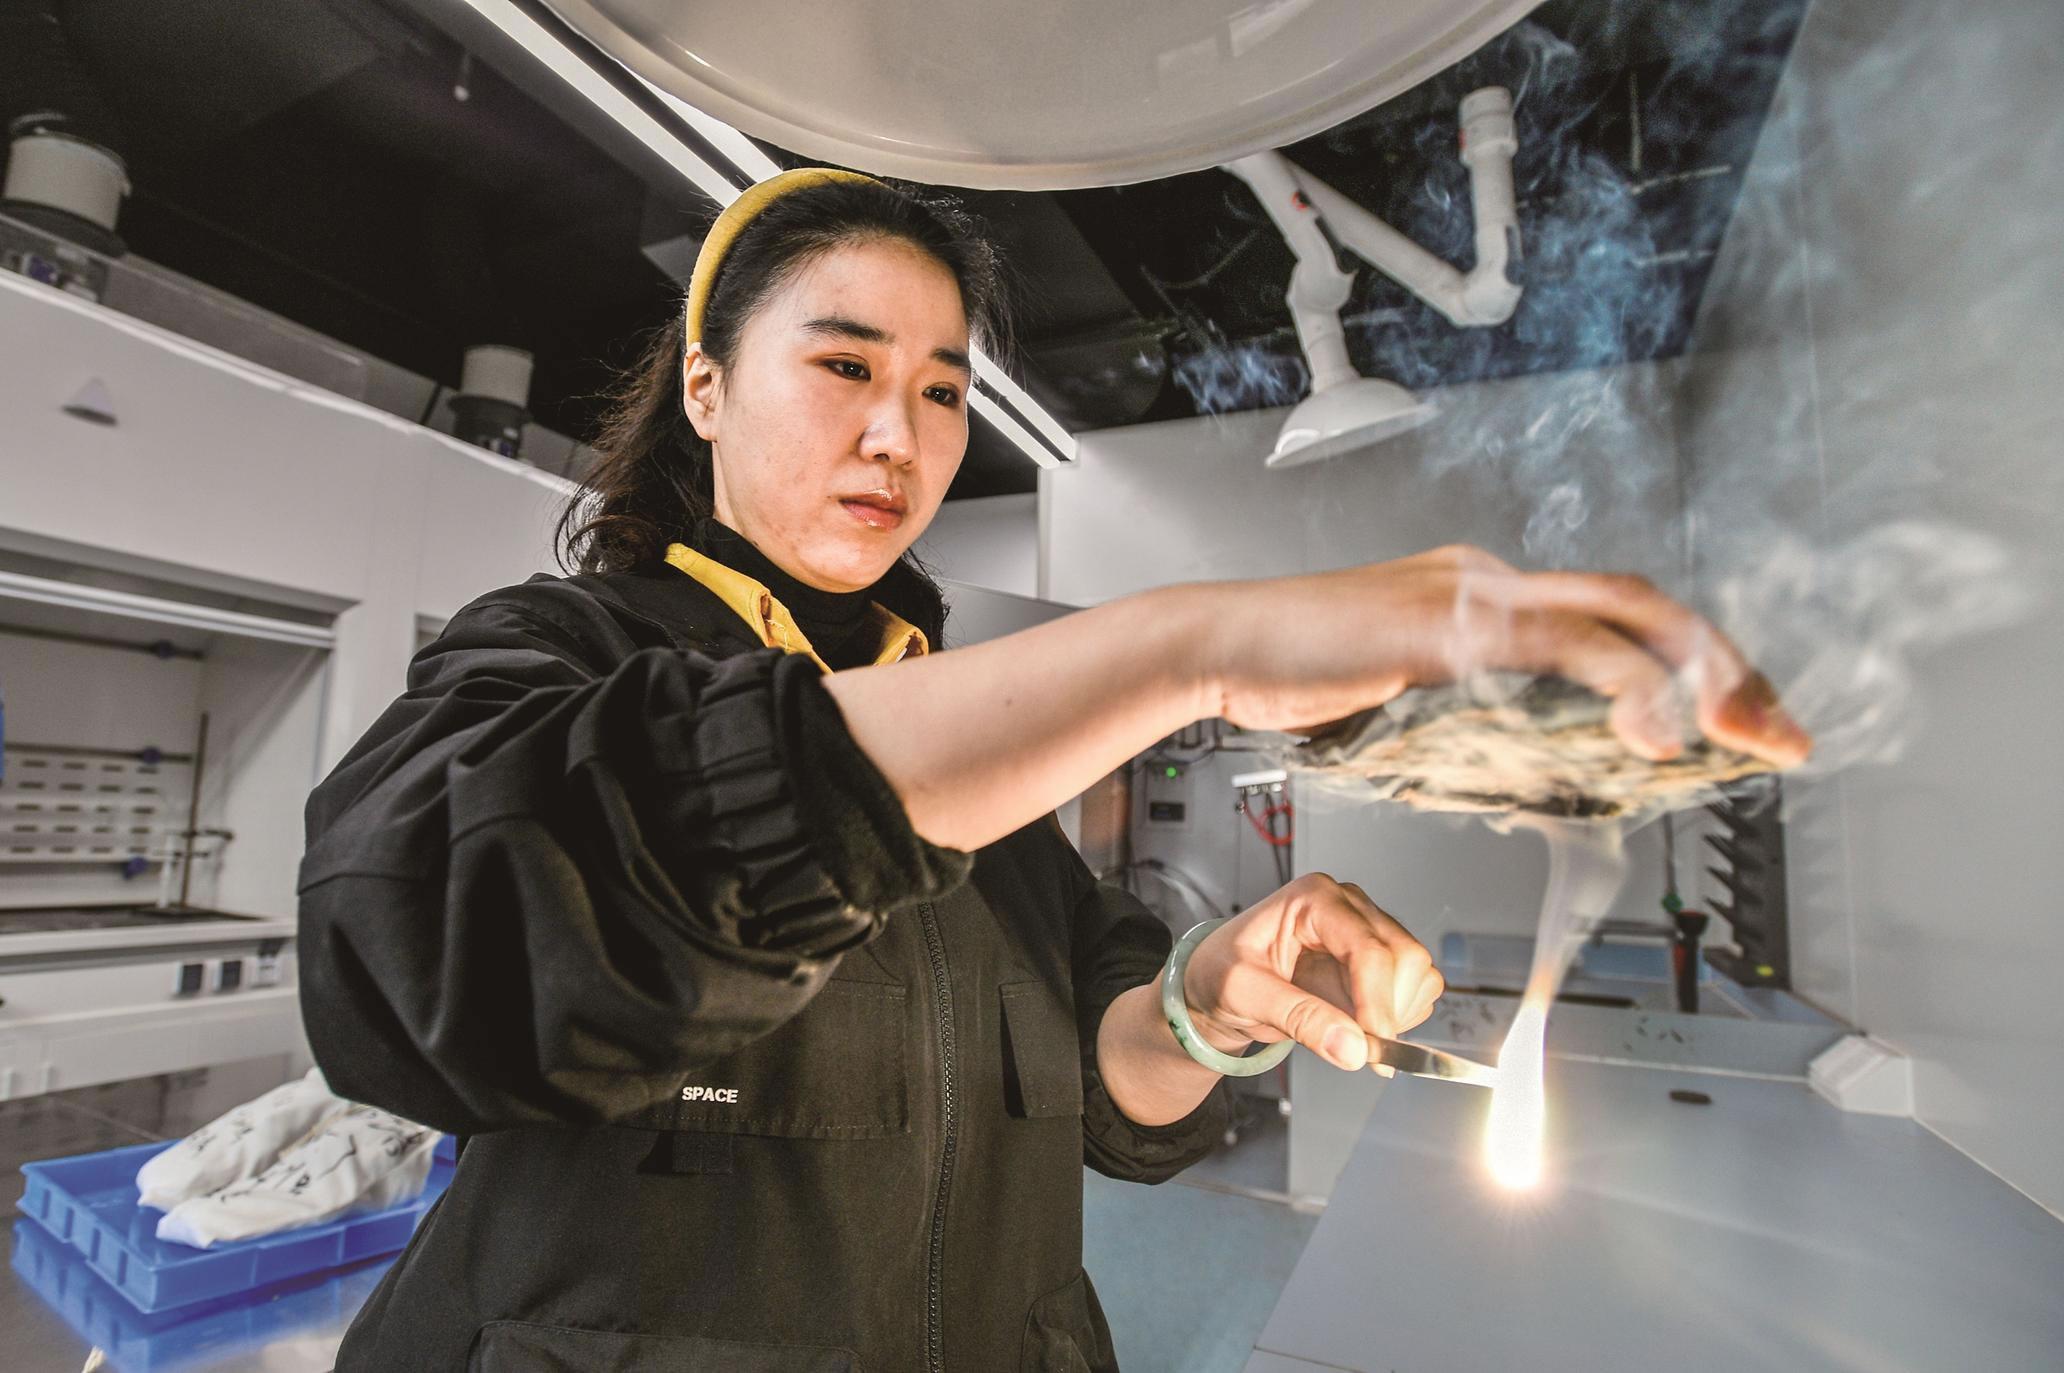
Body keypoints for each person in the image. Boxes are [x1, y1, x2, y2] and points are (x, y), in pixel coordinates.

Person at [296, 168, 1811, 1373]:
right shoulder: (559, 653)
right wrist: (1190, 645)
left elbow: (1100, 1082)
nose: (898, 434)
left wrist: (1207, 1001)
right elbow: (417, 939)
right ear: (705, 389)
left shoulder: (969, 739)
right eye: (844, 364)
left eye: (943, 391)